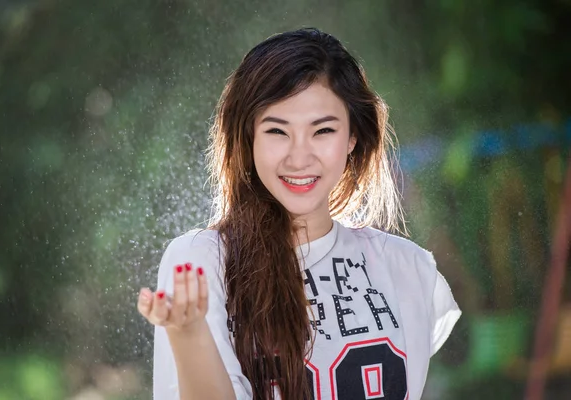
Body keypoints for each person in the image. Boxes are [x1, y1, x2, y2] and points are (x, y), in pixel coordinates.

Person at [137, 27, 461, 400]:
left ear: (352, 137)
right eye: (278, 131)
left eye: (322, 130)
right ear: (249, 138)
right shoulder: (201, 261)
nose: (299, 157)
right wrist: (190, 335)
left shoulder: (409, 268)